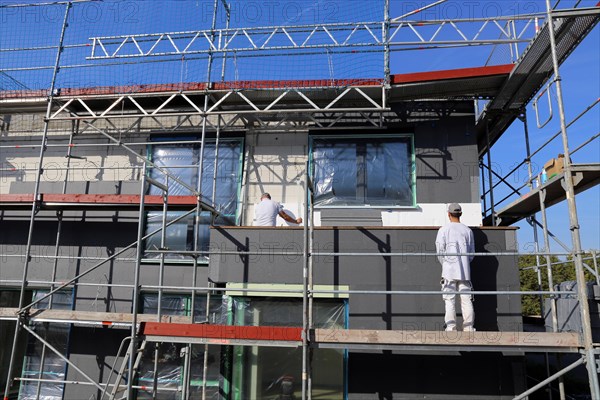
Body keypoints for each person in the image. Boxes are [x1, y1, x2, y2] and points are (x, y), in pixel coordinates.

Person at [435, 203, 476, 332]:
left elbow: (439, 252)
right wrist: (464, 263)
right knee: (466, 299)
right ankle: (468, 328)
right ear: (461, 214)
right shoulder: (467, 230)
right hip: (464, 271)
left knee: (449, 300)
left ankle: (451, 327)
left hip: (448, 271)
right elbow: (472, 253)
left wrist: (446, 264)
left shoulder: (443, 230)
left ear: (448, 214)